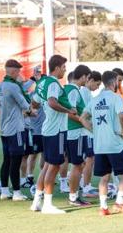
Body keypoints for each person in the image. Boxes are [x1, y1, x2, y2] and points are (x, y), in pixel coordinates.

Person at [80, 71, 123, 217]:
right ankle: (119, 203)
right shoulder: (116, 98)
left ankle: (103, 207)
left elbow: (83, 118)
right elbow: (122, 115)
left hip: (99, 145)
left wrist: (93, 130)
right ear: (115, 81)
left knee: (104, 177)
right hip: (115, 144)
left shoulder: (95, 99)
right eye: (118, 81)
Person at [30, 55, 76, 214]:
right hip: (56, 130)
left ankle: (37, 201)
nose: (65, 70)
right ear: (56, 67)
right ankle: (48, 204)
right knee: (54, 165)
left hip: (48, 129)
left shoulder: (42, 82)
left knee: (48, 165)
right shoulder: (54, 83)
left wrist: (37, 110)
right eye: (64, 67)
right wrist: (69, 110)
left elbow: (35, 102)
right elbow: (51, 102)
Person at [0, 59, 33, 201]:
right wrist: (32, 112)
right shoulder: (13, 86)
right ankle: (17, 192)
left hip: (4, 127)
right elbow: (25, 105)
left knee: (6, 159)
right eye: (18, 71)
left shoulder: (0, 85)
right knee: (16, 160)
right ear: (12, 71)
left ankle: (5, 191)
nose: (19, 74)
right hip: (16, 128)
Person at [63, 64, 93, 207]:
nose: (87, 81)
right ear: (82, 77)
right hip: (74, 133)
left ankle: (74, 195)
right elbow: (69, 112)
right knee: (77, 165)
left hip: (73, 132)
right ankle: (73, 197)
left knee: (78, 164)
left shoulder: (71, 89)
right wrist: (83, 120)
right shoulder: (73, 91)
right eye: (87, 78)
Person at [81, 71, 101, 197]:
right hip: (86, 131)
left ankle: (84, 183)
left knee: (86, 160)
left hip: (87, 131)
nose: (97, 87)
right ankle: (86, 187)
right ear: (91, 80)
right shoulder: (84, 92)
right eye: (97, 84)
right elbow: (85, 112)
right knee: (90, 159)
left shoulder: (86, 92)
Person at [24, 66, 46, 189]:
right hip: (35, 130)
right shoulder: (32, 95)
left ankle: (44, 176)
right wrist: (33, 78)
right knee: (33, 154)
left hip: (47, 130)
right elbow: (23, 90)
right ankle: (29, 177)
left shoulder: (49, 96)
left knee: (44, 154)